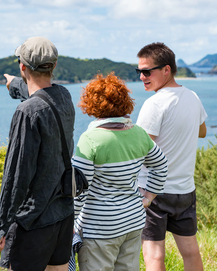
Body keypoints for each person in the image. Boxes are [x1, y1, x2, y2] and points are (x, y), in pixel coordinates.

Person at [0, 36, 75, 271]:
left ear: (22, 66)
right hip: (64, 213)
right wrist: (17, 84)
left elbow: (16, 176)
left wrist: (0, 227)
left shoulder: (26, 113)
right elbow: (43, 99)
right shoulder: (65, 97)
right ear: (54, 65)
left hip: (33, 221)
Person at [71, 72, 168, 271]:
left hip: (99, 227)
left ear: (92, 105)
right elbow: (161, 165)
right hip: (133, 221)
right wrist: (148, 197)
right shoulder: (139, 133)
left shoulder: (90, 139)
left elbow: (78, 189)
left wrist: (71, 221)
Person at [135, 43, 208, 271]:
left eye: (148, 71)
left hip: (152, 191)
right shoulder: (192, 96)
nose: (142, 77)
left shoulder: (154, 104)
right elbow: (202, 131)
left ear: (166, 70)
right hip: (185, 189)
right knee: (190, 251)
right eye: (139, 71)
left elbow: (138, 149)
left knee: (154, 256)